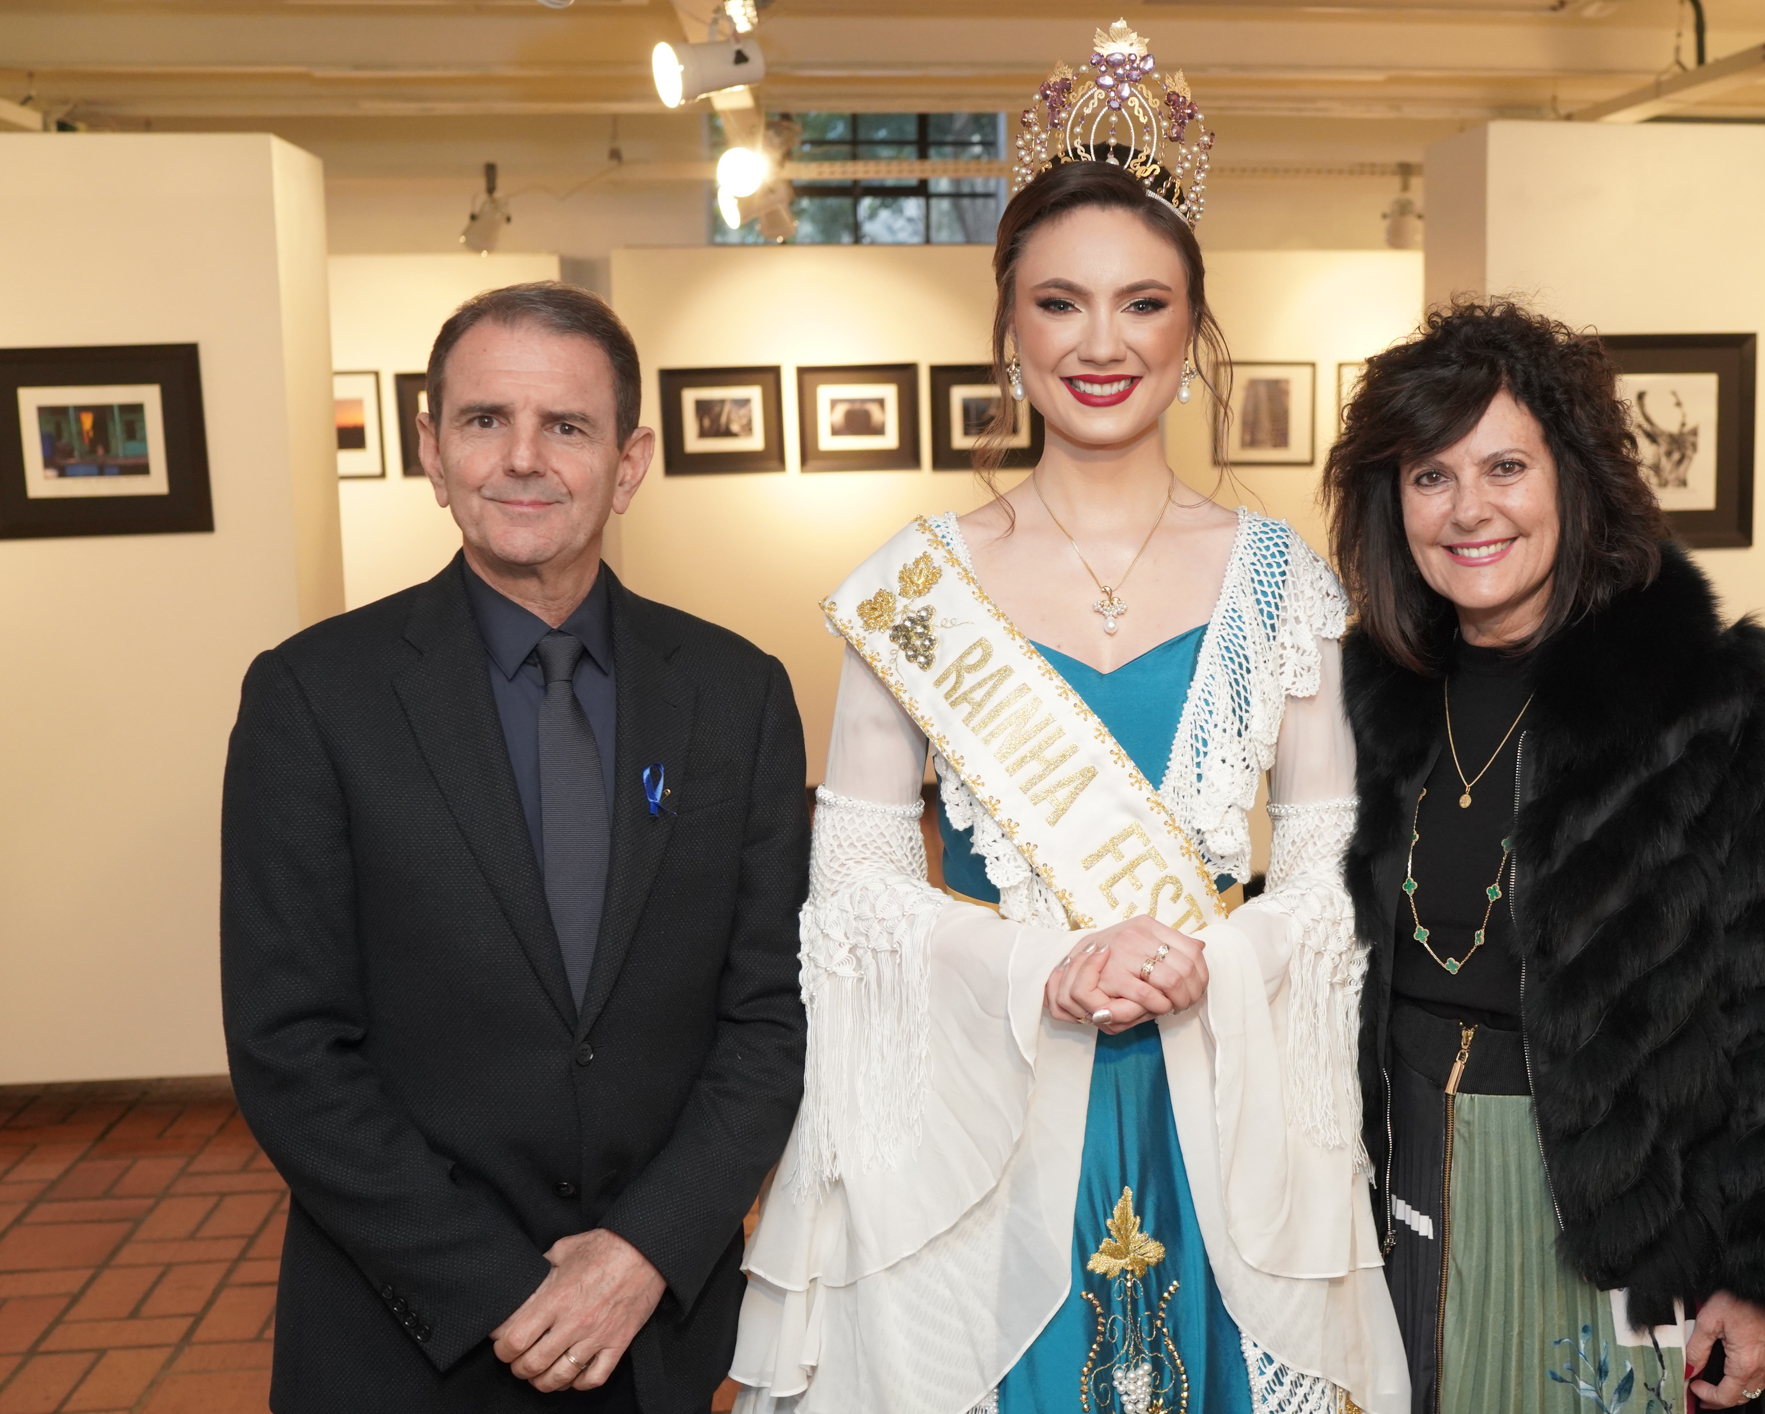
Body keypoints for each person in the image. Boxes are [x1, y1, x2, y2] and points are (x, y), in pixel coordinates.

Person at [730, 22, 1407, 1414]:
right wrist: (1039, 964)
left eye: (1143, 304)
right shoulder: (914, 589)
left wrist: (1210, 962)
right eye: (1059, 303)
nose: (1102, 343)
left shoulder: (1283, 583)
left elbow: (1340, 864)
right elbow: (854, 882)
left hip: (1218, 1101)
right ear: (1008, 328)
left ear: (1194, 332)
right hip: (992, 1106)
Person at [221, 282, 809, 1412]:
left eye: (568, 426)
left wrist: (642, 1251)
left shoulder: (738, 695)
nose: (523, 458)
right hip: (403, 1333)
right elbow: (290, 1045)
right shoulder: (312, 697)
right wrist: (501, 1287)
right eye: (486, 420)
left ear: (629, 463)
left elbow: (771, 1015)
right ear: (432, 453)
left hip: (656, 1333)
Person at [1323, 299, 1765, 1413]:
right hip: (1392, 1192)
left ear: (1573, 479)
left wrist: (1763, 1270)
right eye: (1430, 476)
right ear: (1393, 504)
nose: (1469, 509)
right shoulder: (1364, 700)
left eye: (1505, 467)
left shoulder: (1703, 708)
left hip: (1616, 1216)